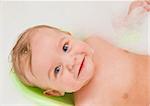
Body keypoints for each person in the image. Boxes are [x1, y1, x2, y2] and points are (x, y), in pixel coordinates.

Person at [11, 1, 150, 106]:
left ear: (70, 36)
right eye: (57, 70)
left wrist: (135, 14)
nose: (71, 62)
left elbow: (125, 33)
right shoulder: (89, 103)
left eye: (65, 47)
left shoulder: (95, 41)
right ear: (55, 92)